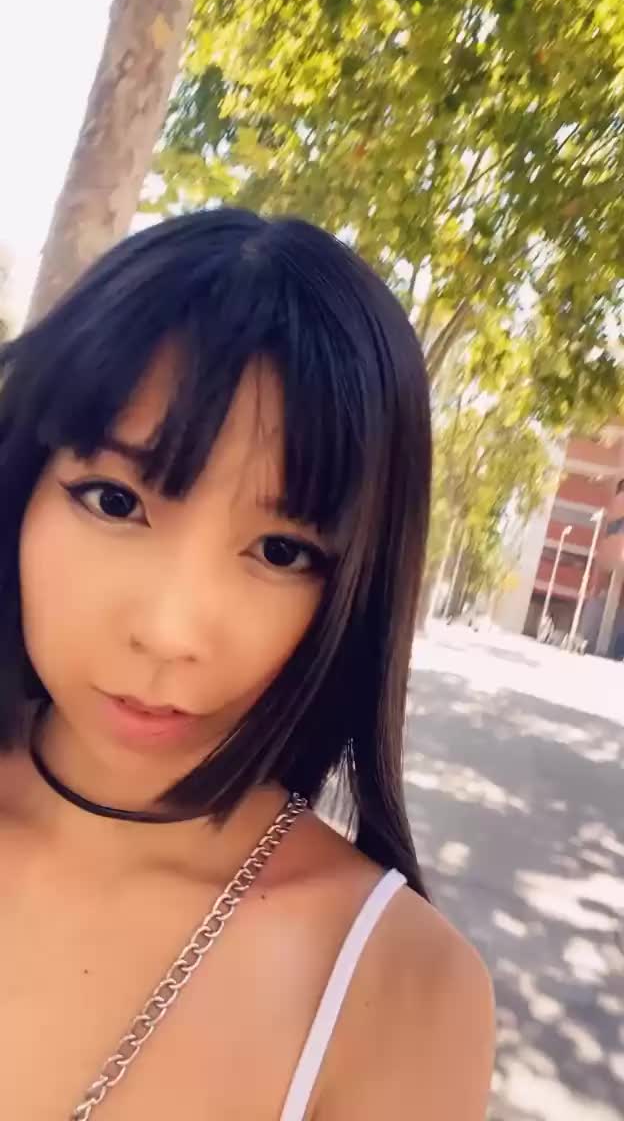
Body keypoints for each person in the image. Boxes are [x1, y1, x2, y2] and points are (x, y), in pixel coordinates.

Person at [0, 209, 494, 1119]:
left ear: (355, 594)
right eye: (114, 501)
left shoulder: (399, 993)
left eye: (280, 552)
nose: (169, 632)